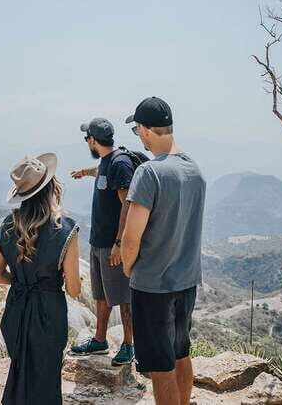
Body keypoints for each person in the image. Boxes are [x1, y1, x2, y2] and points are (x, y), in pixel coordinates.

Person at [120, 98, 207, 405]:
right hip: (186, 283)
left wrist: (130, 268)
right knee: (181, 354)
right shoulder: (194, 169)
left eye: (137, 129)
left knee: (160, 368)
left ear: (145, 130)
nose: (138, 136)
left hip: (153, 286)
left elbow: (131, 238)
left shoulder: (149, 173)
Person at [0, 153, 82, 405]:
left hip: (17, 309)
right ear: (51, 186)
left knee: (20, 371)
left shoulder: (9, 225)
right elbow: (74, 289)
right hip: (48, 313)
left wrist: (20, 282)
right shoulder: (66, 229)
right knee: (46, 377)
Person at [69, 118, 136, 366]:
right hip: (98, 242)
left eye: (87, 138)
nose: (86, 141)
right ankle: (100, 339)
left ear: (94, 140)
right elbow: (102, 171)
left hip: (112, 245)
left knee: (123, 296)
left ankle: (129, 345)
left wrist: (120, 243)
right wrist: (86, 172)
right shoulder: (107, 161)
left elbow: (127, 204)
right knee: (101, 295)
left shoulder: (120, 162)